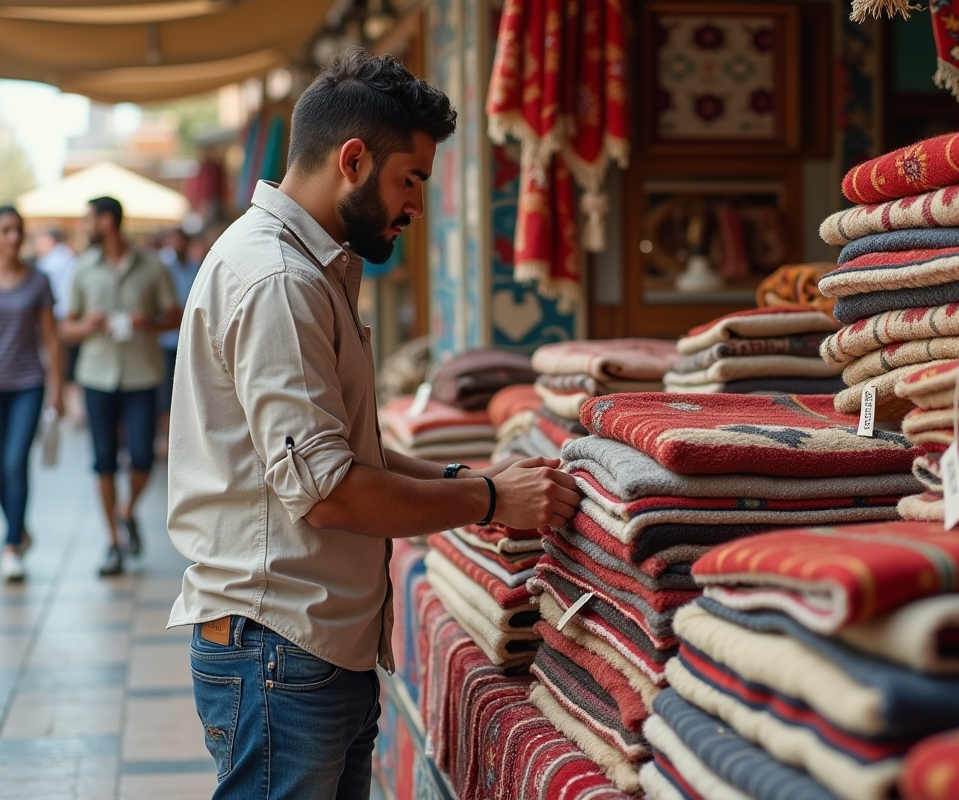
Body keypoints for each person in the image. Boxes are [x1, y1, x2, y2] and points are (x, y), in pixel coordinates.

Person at [167, 47, 582, 800]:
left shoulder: (306, 267)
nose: (416, 206)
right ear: (353, 160)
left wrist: (468, 481)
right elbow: (330, 491)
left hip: (303, 649)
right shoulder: (279, 280)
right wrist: (489, 500)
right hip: (280, 651)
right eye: (410, 179)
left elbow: (350, 450)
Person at [61, 196, 181, 577]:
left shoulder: (153, 267)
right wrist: (88, 325)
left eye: (88, 220)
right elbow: (67, 328)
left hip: (141, 375)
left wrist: (149, 322)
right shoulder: (82, 270)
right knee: (104, 460)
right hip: (96, 376)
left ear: (107, 222)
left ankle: (126, 510)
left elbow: (175, 317)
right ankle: (113, 542)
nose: (84, 226)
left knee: (143, 457)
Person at [0, 207, 63, 582]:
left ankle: (11, 546)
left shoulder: (39, 280)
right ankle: (19, 528)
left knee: (14, 462)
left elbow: (52, 340)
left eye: (17, 230)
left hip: (27, 383)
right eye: (5, 230)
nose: (13, 237)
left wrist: (57, 389)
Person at [154, 228, 200, 455]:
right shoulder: (162, 266)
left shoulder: (195, 265)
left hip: (187, 338)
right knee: (166, 391)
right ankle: (167, 438)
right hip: (167, 339)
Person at [34, 227, 84, 424]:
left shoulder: (49, 262)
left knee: (57, 361)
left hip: (56, 318)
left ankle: (58, 403)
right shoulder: (73, 259)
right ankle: (72, 408)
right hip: (70, 317)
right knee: (69, 363)